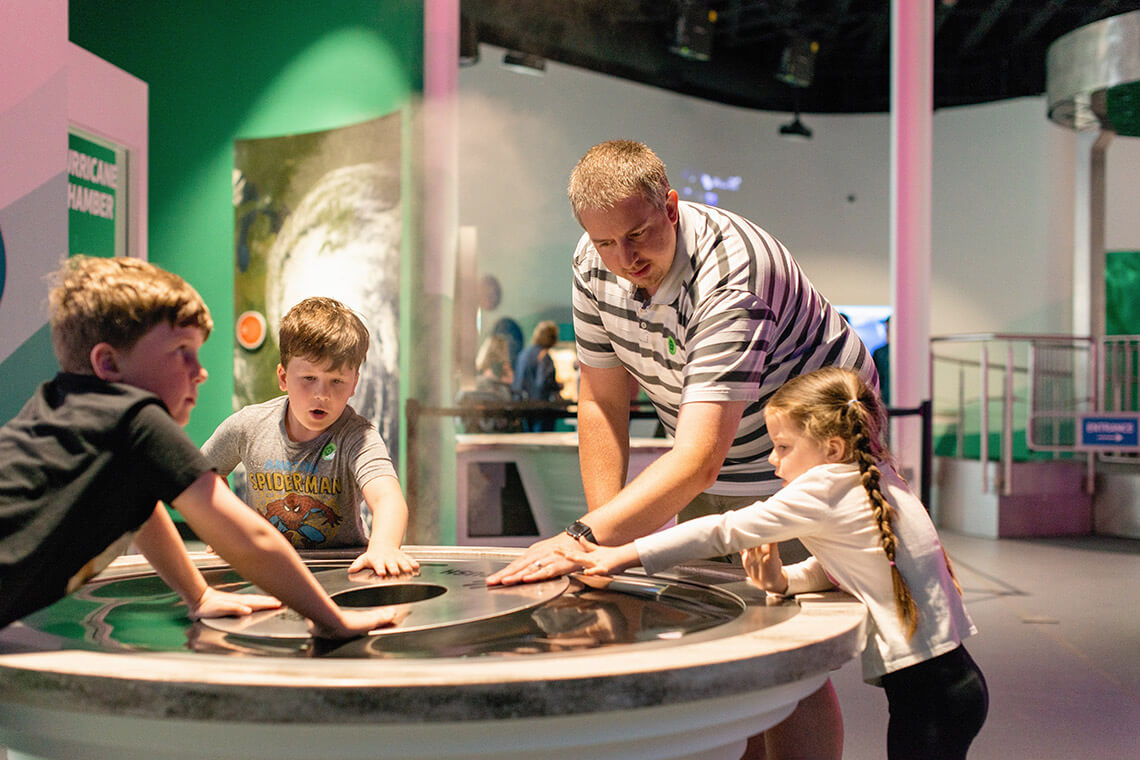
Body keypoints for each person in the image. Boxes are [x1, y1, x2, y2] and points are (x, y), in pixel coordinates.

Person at [487, 139, 876, 758]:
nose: (624, 258)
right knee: (737, 634)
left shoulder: (732, 275)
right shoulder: (594, 261)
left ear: (670, 205)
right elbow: (601, 403)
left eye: (637, 234)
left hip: (806, 457)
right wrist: (603, 541)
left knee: (786, 650)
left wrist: (582, 538)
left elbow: (699, 459)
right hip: (714, 447)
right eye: (606, 242)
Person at [558, 367, 988, 760]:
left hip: (929, 697)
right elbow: (845, 569)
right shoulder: (872, 471)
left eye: (782, 447)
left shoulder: (823, 485)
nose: (772, 459)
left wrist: (620, 554)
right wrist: (782, 581)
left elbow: (721, 529)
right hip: (953, 684)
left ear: (832, 448)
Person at [0, 256, 396, 638]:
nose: (200, 371)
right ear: (109, 364)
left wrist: (199, 594)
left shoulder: (57, 404)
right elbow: (251, 540)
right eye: (181, 352)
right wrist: (332, 619)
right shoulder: (136, 419)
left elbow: (141, 511)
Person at [202, 297, 418, 577]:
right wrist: (226, 528)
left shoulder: (357, 436)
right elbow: (201, 473)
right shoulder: (249, 425)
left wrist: (384, 547)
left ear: (354, 383)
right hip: (267, 567)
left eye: (336, 381)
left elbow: (387, 498)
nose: (322, 394)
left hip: (341, 570)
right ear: (283, 377)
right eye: (308, 378)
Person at [456, 334, 521, 433]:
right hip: (500, 440)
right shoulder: (502, 389)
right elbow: (510, 418)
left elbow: (458, 415)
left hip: (471, 438)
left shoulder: (471, 385)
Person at [512, 320, 563, 432]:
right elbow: (543, 382)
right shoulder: (543, 356)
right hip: (541, 409)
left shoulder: (524, 353)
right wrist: (557, 386)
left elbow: (518, 382)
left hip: (524, 407)